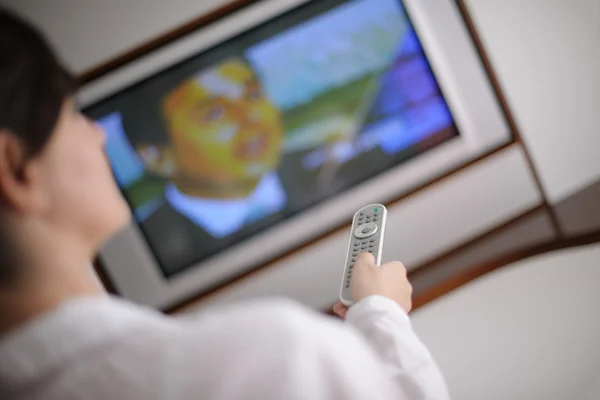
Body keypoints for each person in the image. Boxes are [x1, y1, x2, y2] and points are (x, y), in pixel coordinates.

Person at [0, 7, 450, 400]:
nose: (97, 133)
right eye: (73, 114)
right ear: (15, 168)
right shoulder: (271, 359)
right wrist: (380, 314)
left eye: (252, 95)